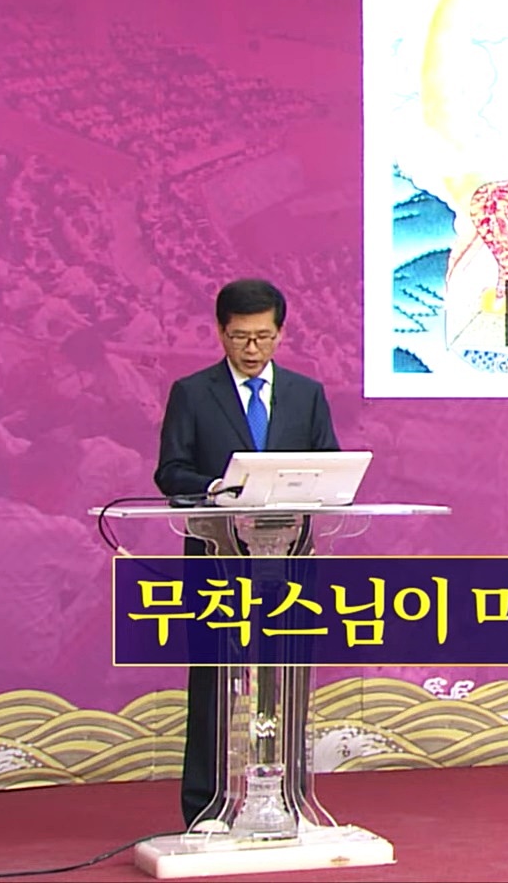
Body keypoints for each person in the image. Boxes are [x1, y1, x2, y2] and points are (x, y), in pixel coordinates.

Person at [154, 278, 339, 829]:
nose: (252, 349)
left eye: (263, 337)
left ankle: (289, 798)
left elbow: (329, 463)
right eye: (240, 337)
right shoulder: (193, 393)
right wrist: (216, 487)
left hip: (289, 558)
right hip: (218, 557)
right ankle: (206, 808)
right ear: (220, 332)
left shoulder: (307, 394)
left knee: (288, 677)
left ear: (281, 333)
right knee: (213, 679)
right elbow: (170, 472)